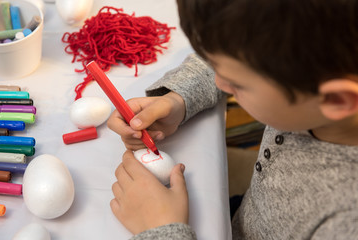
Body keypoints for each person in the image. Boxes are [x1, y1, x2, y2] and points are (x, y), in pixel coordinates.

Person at [107, 0, 358, 239]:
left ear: (337, 100)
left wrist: (161, 230)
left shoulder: (345, 223)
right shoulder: (309, 75)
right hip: (248, 216)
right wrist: (177, 100)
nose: (220, 83)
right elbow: (235, 50)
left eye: (237, 84)